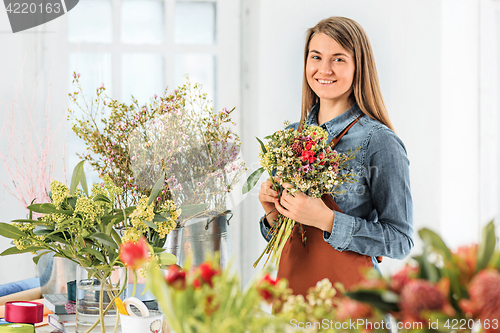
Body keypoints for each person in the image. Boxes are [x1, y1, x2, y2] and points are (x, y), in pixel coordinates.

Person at [258, 16, 414, 296]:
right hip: (294, 302)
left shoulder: (378, 142)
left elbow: (401, 241)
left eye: (339, 59)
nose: (324, 69)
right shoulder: (292, 137)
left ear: (358, 67)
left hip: (353, 304)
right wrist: (273, 213)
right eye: (316, 56)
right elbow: (289, 238)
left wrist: (327, 220)